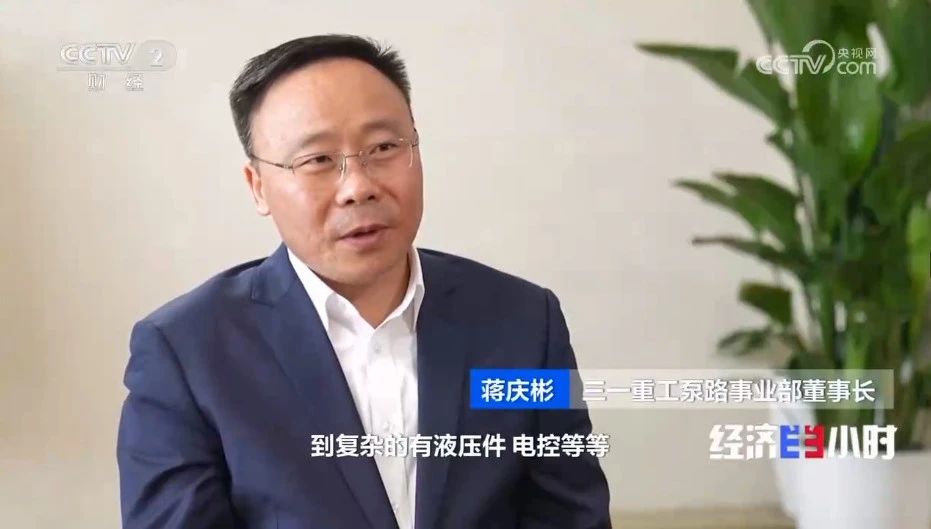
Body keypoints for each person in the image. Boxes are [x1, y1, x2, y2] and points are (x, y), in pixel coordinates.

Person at [116, 34, 611, 529]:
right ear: (258, 186)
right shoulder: (187, 351)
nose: (358, 187)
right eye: (317, 160)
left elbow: (570, 516)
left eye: (384, 147)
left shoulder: (523, 322)